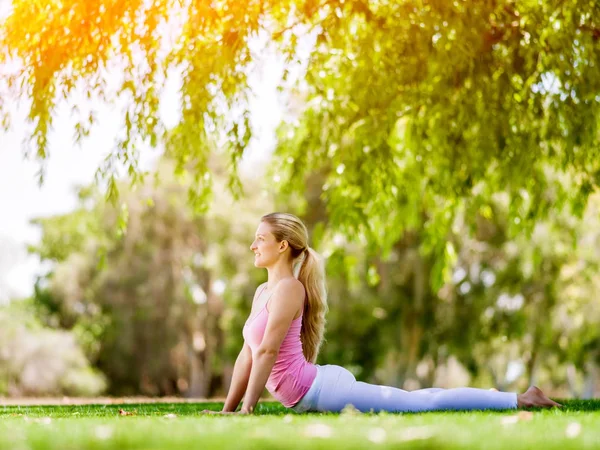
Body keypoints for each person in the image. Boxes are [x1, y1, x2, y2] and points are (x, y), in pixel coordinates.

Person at [202, 212, 561, 415]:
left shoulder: (289, 290)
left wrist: (247, 410)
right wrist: (228, 410)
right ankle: (517, 396)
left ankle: (520, 398)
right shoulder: (262, 292)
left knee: (422, 402)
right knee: (422, 400)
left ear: (282, 246)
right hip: (312, 390)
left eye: (260, 239)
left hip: (322, 389)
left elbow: (267, 351)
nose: (252, 245)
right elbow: (247, 354)